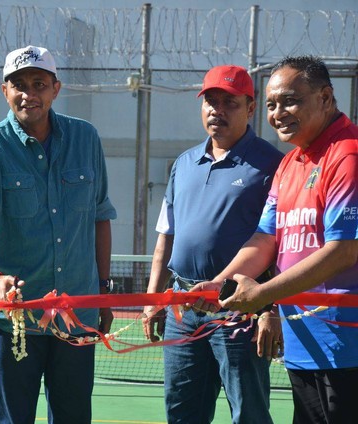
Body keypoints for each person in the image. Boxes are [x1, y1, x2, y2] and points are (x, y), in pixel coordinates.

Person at [193, 56, 358, 424]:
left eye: (290, 100)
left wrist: (264, 295)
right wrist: (221, 284)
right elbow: (266, 237)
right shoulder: (291, 163)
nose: (278, 113)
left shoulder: (347, 154)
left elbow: (344, 250)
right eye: (271, 105)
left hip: (346, 348)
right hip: (305, 345)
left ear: (326, 98)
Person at [0, 45, 117, 424]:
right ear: (5, 91)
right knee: (14, 418)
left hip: (76, 315)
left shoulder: (86, 139)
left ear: (55, 89)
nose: (29, 93)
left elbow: (100, 217)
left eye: (39, 84)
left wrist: (102, 292)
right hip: (15, 318)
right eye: (19, 85)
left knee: (74, 416)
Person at [142, 65, 284, 423]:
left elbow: (281, 245)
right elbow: (166, 236)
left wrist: (271, 307)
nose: (216, 110)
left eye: (229, 102)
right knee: (181, 411)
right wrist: (153, 299)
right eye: (210, 101)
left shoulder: (272, 165)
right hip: (183, 308)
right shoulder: (184, 163)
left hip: (239, 306)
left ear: (251, 108)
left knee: (248, 412)